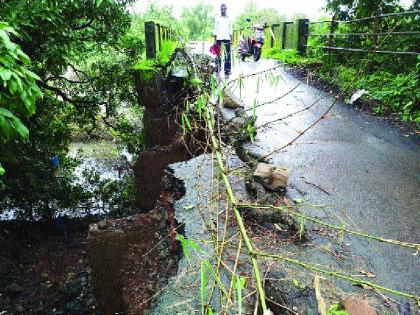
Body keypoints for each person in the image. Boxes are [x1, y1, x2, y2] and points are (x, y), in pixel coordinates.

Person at [213, 3, 233, 76]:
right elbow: (215, 29)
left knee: (227, 55)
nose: (223, 10)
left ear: (226, 9)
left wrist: (231, 39)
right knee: (218, 54)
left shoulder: (229, 18)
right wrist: (215, 40)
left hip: (227, 38)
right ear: (220, 10)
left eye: (224, 8)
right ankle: (217, 70)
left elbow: (231, 29)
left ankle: (227, 70)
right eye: (222, 9)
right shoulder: (217, 18)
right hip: (219, 39)